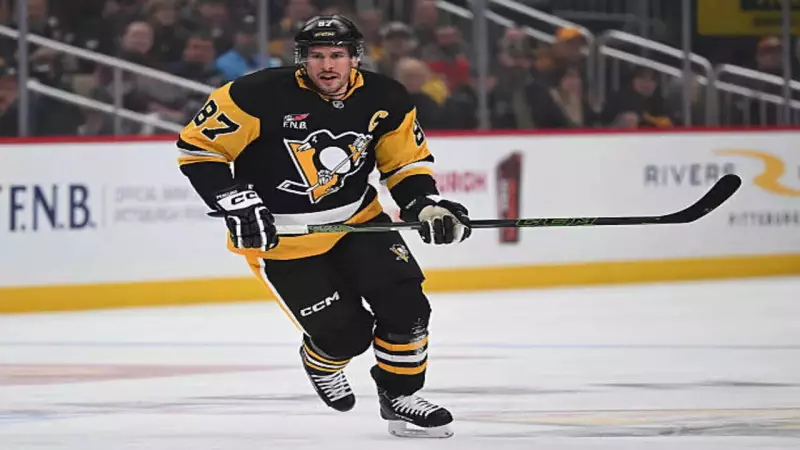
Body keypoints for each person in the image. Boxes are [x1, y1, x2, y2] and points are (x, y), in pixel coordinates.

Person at [176, 15, 471, 438]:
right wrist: (234, 199)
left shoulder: (386, 96)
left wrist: (423, 204)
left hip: (358, 222)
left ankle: (400, 395)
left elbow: (405, 162)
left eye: (337, 55)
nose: (327, 65)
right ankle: (322, 360)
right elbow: (199, 149)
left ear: (355, 58)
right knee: (347, 337)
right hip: (284, 239)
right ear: (303, 59)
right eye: (317, 56)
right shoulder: (253, 94)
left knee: (407, 307)